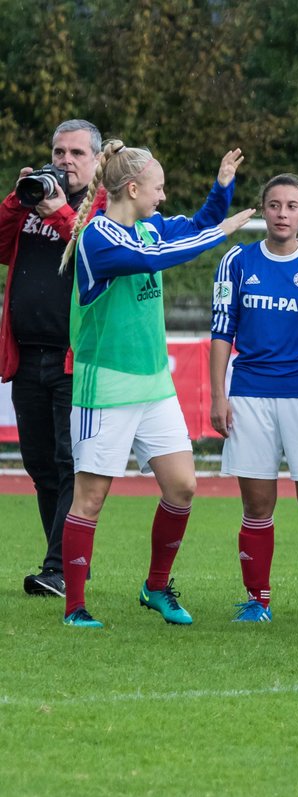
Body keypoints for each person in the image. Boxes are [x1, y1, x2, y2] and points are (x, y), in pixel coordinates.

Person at [58, 141, 255, 628]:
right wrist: (220, 235)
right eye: (159, 187)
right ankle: (75, 607)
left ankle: (156, 586)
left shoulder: (148, 227)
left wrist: (222, 188)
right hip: (104, 386)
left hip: (153, 386)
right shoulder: (99, 237)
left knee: (183, 487)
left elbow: (196, 225)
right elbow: (154, 259)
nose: (163, 197)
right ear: (132, 188)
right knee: (91, 497)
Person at [210, 174, 298, 626]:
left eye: (292, 206)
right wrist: (219, 395)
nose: (282, 213)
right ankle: (257, 601)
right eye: (274, 205)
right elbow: (221, 332)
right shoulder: (238, 261)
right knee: (256, 506)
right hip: (250, 394)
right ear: (263, 209)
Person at [0, 119, 103, 597]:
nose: (65, 162)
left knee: (69, 462)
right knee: (41, 465)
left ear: (97, 161)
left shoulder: (103, 207)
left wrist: (62, 210)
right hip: (27, 356)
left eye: (77, 153)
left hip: (73, 357)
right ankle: (62, 566)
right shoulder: (32, 202)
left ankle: (61, 567)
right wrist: (16, 200)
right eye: (59, 152)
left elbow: (94, 255)